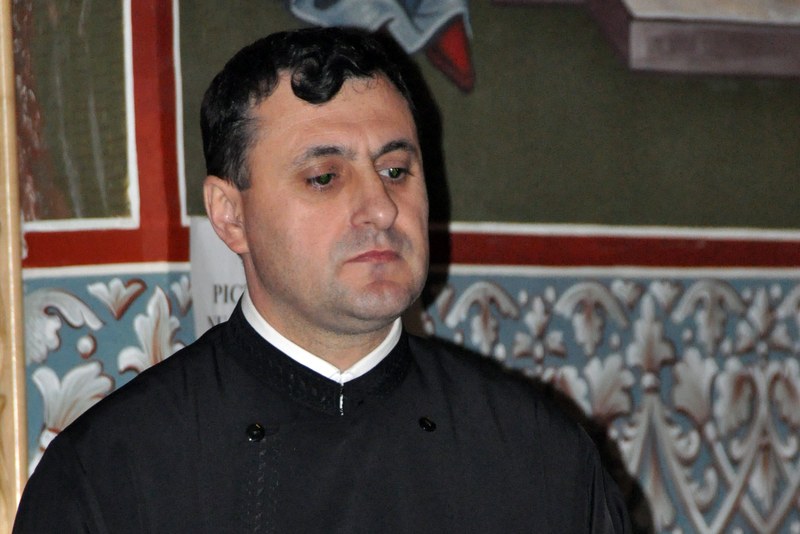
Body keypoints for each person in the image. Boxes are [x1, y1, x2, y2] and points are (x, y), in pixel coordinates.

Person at [14, 27, 631, 533]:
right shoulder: (113, 473)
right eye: (324, 178)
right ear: (231, 216)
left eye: (395, 171)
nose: (380, 209)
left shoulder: (537, 453)